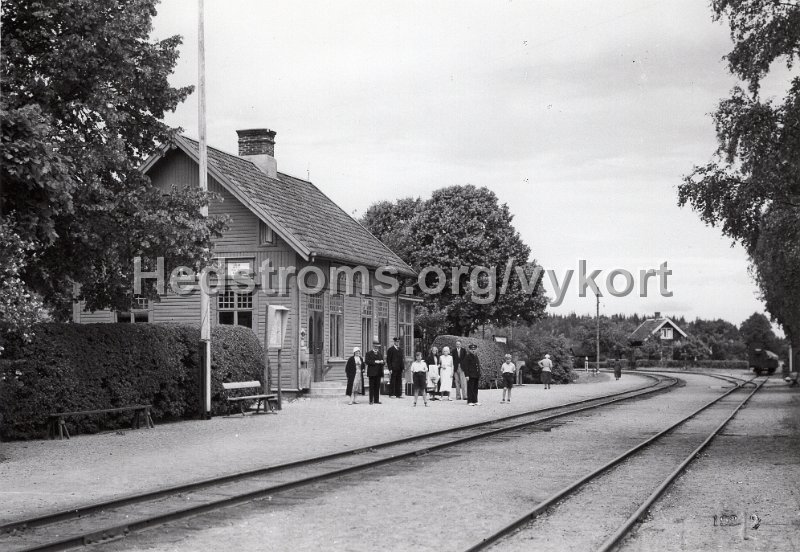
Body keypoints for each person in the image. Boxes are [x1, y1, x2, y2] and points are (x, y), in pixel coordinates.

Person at [365, 340, 385, 405]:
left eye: (377, 347)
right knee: (371, 387)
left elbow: (383, 362)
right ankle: (371, 400)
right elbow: (367, 361)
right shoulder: (369, 353)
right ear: (373, 346)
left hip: (378, 373)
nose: (376, 348)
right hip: (372, 373)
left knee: (377, 386)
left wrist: (382, 362)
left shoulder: (380, 354)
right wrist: (375, 362)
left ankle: (376, 400)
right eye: (375, 346)